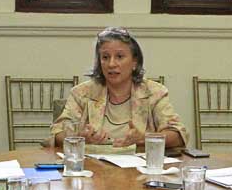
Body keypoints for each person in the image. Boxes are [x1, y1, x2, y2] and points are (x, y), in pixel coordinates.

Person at [50, 27, 188, 149]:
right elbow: (57, 134)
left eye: (120, 57)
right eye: (105, 57)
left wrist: (143, 138)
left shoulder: (154, 92)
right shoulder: (82, 93)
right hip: (93, 166)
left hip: (139, 167)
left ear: (134, 62)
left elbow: (177, 135)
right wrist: (80, 138)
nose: (111, 64)